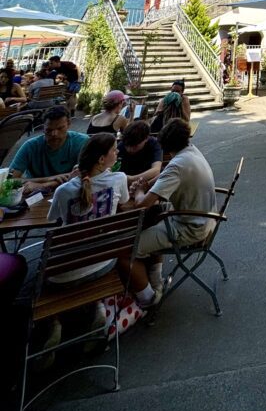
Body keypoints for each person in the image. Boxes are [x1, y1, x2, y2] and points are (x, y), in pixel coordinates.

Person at [126, 119, 217, 308]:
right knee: (151, 221)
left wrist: (139, 192)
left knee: (127, 250)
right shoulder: (190, 151)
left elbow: (142, 205)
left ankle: (149, 298)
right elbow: (162, 178)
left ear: (165, 146)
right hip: (205, 219)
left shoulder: (177, 166)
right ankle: (155, 276)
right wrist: (144, 186)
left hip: (189, 228)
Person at [47, 133, 130, 283]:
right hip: (103, 262)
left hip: (61, 275)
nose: (117, 152)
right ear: (101, 159)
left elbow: (52, 218)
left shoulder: (63, 190)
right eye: (114, 150)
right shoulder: (119, 178)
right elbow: (124, 200)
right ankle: (99, 303)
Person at [8, 105, 89, 195]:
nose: (54, 134)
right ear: (43, 128)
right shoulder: (30, 146)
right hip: (35, 197)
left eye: (60, 128)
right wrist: (48, 179)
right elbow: (9, 180)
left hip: (70, 193)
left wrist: (46, 185)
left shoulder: (82, 142)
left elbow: (89, 173)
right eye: (49, 130)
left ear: (69, 124)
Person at [117, 120, 163, 185]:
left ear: (146, 138)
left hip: (145, 183)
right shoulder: (121, 144)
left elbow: (156, 170)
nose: (129, 149)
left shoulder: (153, 144)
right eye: (127, 145)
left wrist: (131, 179)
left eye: (135, 146)